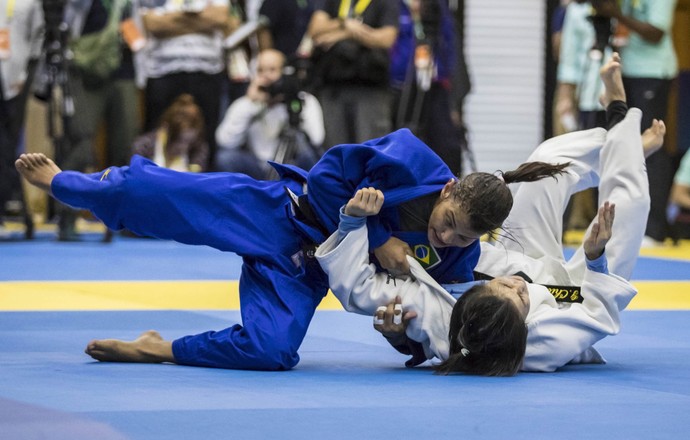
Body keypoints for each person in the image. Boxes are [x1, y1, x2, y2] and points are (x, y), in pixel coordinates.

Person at [14, 125, 565, 370]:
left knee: (273, 352)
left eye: (463, 238)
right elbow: (327, 177)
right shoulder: (411, 159)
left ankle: (161, 347)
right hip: (280, 213)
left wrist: (400, 336)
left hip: (304, 272)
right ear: (447, 190)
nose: (447, 240)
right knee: (156, 193)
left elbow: (429, 326)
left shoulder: (462, 260)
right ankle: (68, 184)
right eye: (447, 224)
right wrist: (380, 237)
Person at [315, 53, 666, 375]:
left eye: (501, 288)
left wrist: (398, 335)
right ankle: (621, 127)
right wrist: (596, 260)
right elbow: (598, 311)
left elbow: (359, 287)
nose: (515, 284)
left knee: (543, 165)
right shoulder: (544, 344)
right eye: (520, 295)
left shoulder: (442, 318)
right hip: (580, 289)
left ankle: (623, 152)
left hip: (516, 254)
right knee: (628, 207)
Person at [215, 49, 324, 179]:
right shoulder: (246, 103)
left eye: (272, 70)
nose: (266, 76)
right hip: (259, 166)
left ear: (285, 72)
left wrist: (292, 103)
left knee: (311, 155)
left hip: (294, 167)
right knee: (225, 158)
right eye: (260, 70)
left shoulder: (305, 100)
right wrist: (251, 105)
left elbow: (317, 139)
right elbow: (225, 142)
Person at [132, 93, 209, 172]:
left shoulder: (198, 150)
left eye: (188, 142)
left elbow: (196, 177)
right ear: (165, 130)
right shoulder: (142, 146)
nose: (182, 147)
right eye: (179, 141)